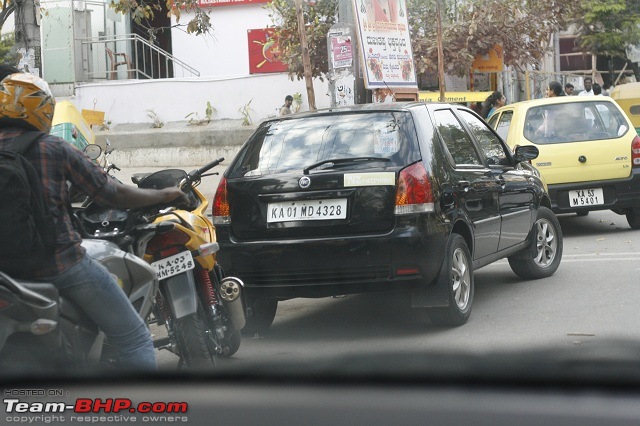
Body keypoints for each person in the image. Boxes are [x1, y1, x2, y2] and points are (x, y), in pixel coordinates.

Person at [0, 70, 188, 371]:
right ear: (42, 109)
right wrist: (165, 194)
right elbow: (113, 194)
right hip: (60, 265)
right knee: (134, 337)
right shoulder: (53, 148)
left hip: (6, 275)